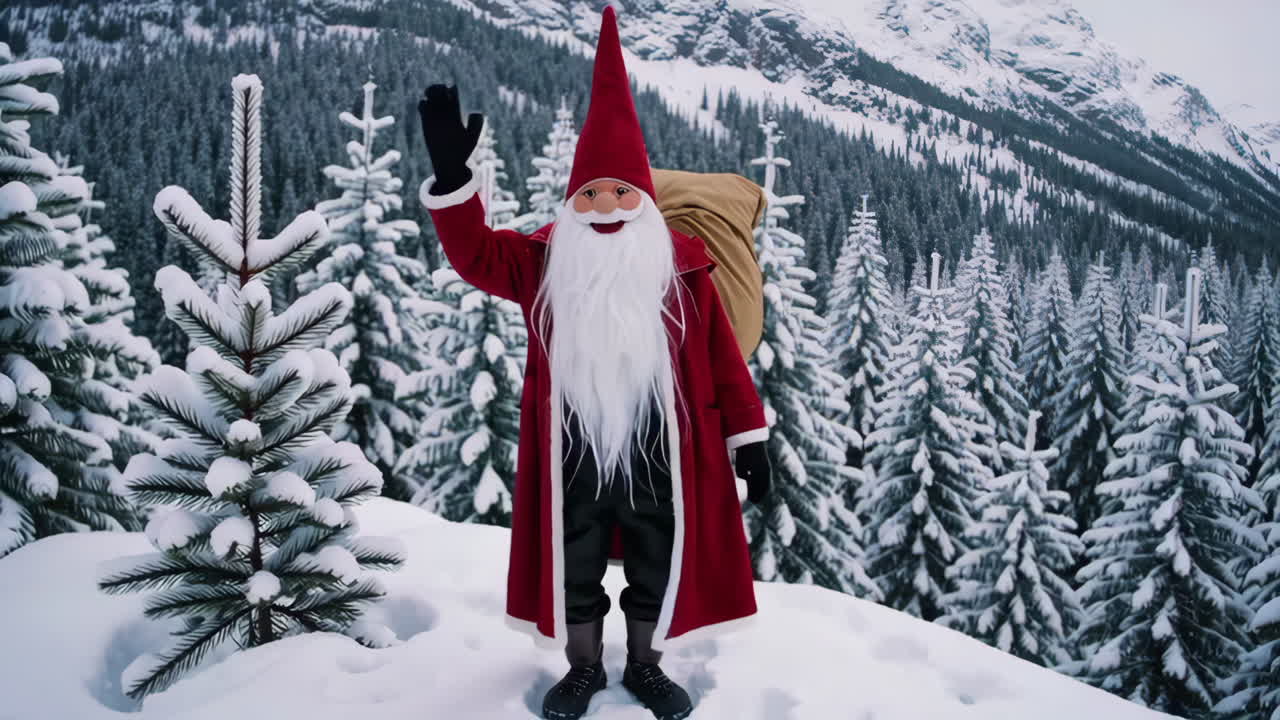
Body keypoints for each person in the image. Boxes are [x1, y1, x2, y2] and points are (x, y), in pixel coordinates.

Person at [416, 7, 771, 719]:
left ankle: (644, 665)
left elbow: (723, 363)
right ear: (572, 200)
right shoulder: (542, 261)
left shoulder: (685, 270)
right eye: (590, 193)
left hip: (659, 444)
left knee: (657, 553)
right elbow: (475, 254)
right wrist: (455, 182)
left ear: (643, 201)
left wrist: (749, 439)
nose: (605, 206)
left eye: (620, 193)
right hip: (571, 443)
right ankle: (582, 668)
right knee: (571, 556)